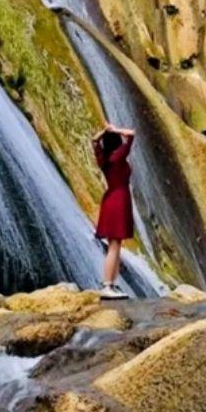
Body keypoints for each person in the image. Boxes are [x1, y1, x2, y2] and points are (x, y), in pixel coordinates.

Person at [92, 122, 136, 300]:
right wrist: (114, 129)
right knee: (114, 245)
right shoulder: (118, 156)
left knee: (115, 244)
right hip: (119, 200)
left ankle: (112, 283)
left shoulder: (104, 159)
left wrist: (104, 132)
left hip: (111, 199)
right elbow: (131, 134)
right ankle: (107, 285)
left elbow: (94, 141)